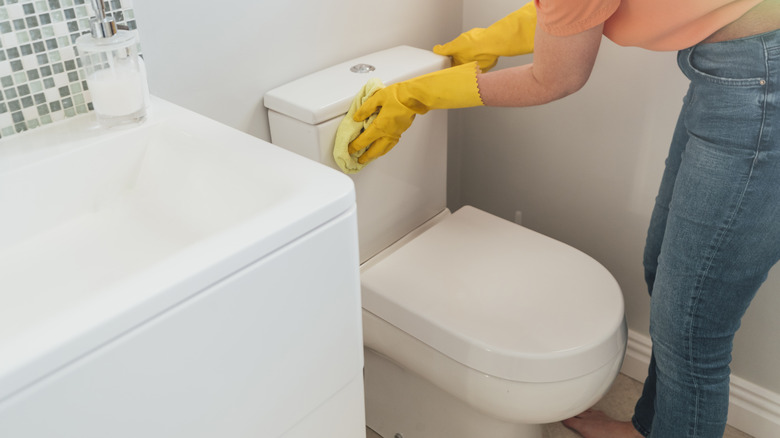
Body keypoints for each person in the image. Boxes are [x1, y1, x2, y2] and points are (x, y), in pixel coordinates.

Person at [348, 0, 780, 437]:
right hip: (733, 73)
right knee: (667, 278)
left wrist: (421, 94)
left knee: (691, 327)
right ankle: (650, 429)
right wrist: (481, 43)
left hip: (760, 79)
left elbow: (556, 76)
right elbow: (580, 12)